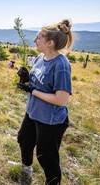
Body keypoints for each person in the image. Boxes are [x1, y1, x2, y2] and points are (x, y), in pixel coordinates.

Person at [16, 19, 73, 185]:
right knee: (24, 140)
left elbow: (61, 100)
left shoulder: (61, 65)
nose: (35, 40)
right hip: (33, 112)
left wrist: (33, 91)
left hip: (50, 120)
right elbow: (40, 83)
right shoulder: (42, 57)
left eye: (39, 37)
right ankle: (26, 170)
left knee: (46, 156)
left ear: (50, 42)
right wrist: (27, 79)